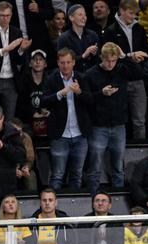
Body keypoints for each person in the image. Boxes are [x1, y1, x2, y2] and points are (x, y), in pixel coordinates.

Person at [82, 42, 142, 193]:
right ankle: (93, 197)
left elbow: (139, 74)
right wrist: (101, 93)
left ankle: (118, 198)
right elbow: (85, 99)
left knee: (118, 167)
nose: (110, 64)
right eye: (107, 60)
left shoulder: (121, 69)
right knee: (95, 166)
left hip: (118, 125)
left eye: (114, 60)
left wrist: (125, 56)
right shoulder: (90, 74)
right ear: (101, 57)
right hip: (98, 126)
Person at [41, 48, 89, 190]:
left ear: (74, 62)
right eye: (62, 63)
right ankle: (53, 210)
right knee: (57, 175)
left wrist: (79, 92)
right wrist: (61, 93)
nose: (65, 66)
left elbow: (91, 100)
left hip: (80, 134)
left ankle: (74, 210)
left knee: (77, 174)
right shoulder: (51, 78)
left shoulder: (82, 78)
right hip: (59, 135)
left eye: (68, 62)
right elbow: (43, 101)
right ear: (58, 63)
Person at [101, 0, 148, 139]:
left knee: (140, 121)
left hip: (137, 80)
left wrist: (142, 63)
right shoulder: (110, 31)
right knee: (119, 120)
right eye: (130, 13)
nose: (133, 16)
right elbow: (108, 56)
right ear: (121, 11)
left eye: (135, 14)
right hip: (119, 81)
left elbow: (147, 53)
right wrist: (130, 56)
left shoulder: (139, 29)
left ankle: (139, 152)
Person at [56, 3, 99, 70]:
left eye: (85, 15)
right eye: (80, 15)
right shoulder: (63, 38)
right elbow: (63, 62)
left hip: (91, 75)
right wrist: (83, 55)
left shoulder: (93, 35)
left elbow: (98, 59)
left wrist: (95, 53)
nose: (84, 17)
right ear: (71, 17)